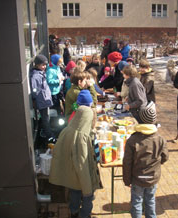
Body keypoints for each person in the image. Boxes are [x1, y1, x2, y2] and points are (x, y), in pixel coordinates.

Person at [49, 90, 102, 218]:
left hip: (71, 175)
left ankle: (73, 212)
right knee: (87, 198)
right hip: (85, 175)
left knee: (74, 193)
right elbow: (85, 163)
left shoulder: (67, 131)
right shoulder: (86, 136)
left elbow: (58, 151)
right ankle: (84, 215)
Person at [123, 103, 169, 218]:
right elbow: (165, 157)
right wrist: (156, 164)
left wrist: (127, 180)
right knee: (150, 202)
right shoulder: (160, 139)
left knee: (136, 204)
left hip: (137, 179)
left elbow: (127, 163)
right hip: (152, 178)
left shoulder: (132, 140)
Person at [30, 55, 56, 143]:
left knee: (46, 118)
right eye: (42, 65)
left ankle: (47, 132)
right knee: (45, 119)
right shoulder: (36, 76)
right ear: (37, 65)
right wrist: (39, 96)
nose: (44, 67)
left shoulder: (41, 73)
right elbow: (35, 90)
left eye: (45, 65)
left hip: (44, 100)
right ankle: (49, 136)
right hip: (42, 101)